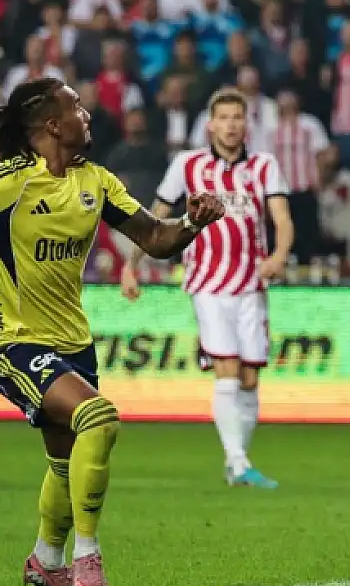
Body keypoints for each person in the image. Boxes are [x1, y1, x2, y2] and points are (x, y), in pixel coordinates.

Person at [0, 77, 223, 586]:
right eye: (77, 107)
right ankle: (87, 557)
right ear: (52, 126)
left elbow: (154, 238)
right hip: (11, 343)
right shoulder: (6, 181)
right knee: (99, 419)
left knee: (65, 462)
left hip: (73, 344)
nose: (88, 114)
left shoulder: (96, 182)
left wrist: (191, 223)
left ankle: (46, 559)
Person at [121, 88, 294, 489]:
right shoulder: (187, 165)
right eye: (225, 118)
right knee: (228, 371)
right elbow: (153, 218)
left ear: (246, 123)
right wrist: (132, 265)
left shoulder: (264, 166)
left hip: (252, 284)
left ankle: (237, 463)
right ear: (211, 124)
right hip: (207, 283)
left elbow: (281, 218)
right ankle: (238, 462)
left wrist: (281, 254)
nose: (232, 125)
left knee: (250, 378)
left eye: (238, 117)